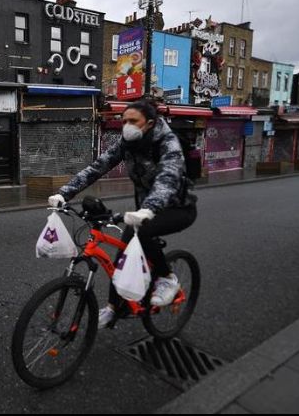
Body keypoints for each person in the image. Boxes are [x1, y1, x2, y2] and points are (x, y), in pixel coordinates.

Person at [48, 100, 198, 328]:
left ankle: (168, 278)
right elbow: (97, 167)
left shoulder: (168, 143)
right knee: (123, 258)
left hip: (177, 208)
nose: (126, 125)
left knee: (144, 232)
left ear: (149, 123)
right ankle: (112, 308)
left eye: (133, 121)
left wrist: (150, 208)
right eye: (124, 120)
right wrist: (64, 194)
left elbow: (168, 177)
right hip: (146, 209)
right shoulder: (127, 143)